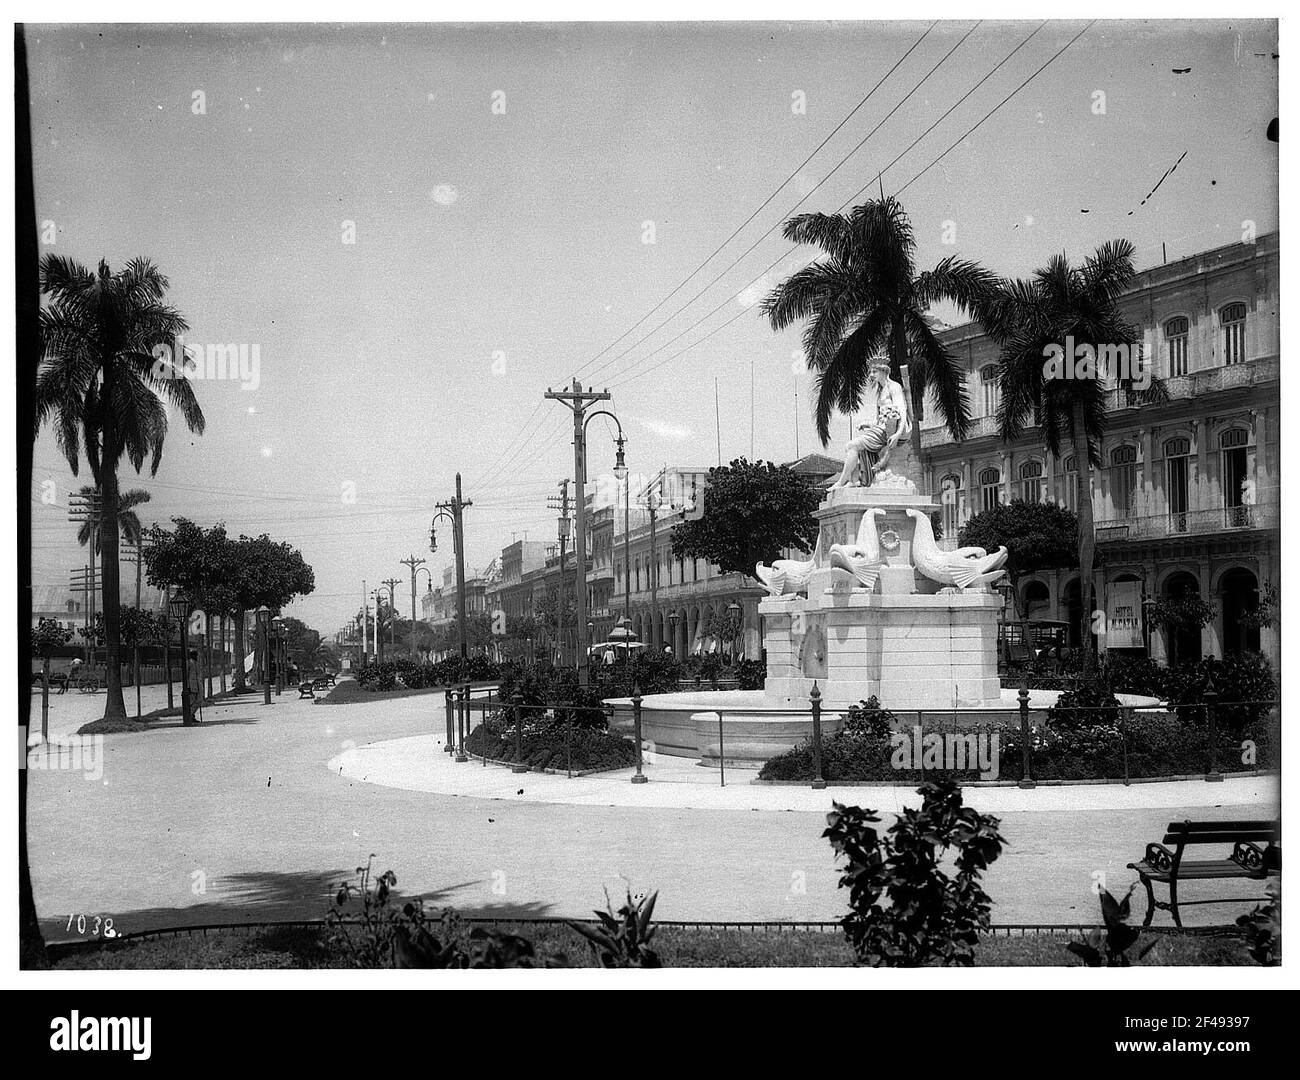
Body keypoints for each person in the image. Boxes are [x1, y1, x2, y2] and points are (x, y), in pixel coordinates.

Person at [833, 358, 913, 489]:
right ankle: (854, 481)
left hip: (891, 431)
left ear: (884, 371)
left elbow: (902, 411)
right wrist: (868, 425)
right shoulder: (881, 392)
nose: (871, 375)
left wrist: (898, 434)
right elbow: (878, 420)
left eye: (874, 372)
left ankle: (842, 482)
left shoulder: (894, 387)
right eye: (871, 372)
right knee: (851, 447)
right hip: (881, 430)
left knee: (852, 446)